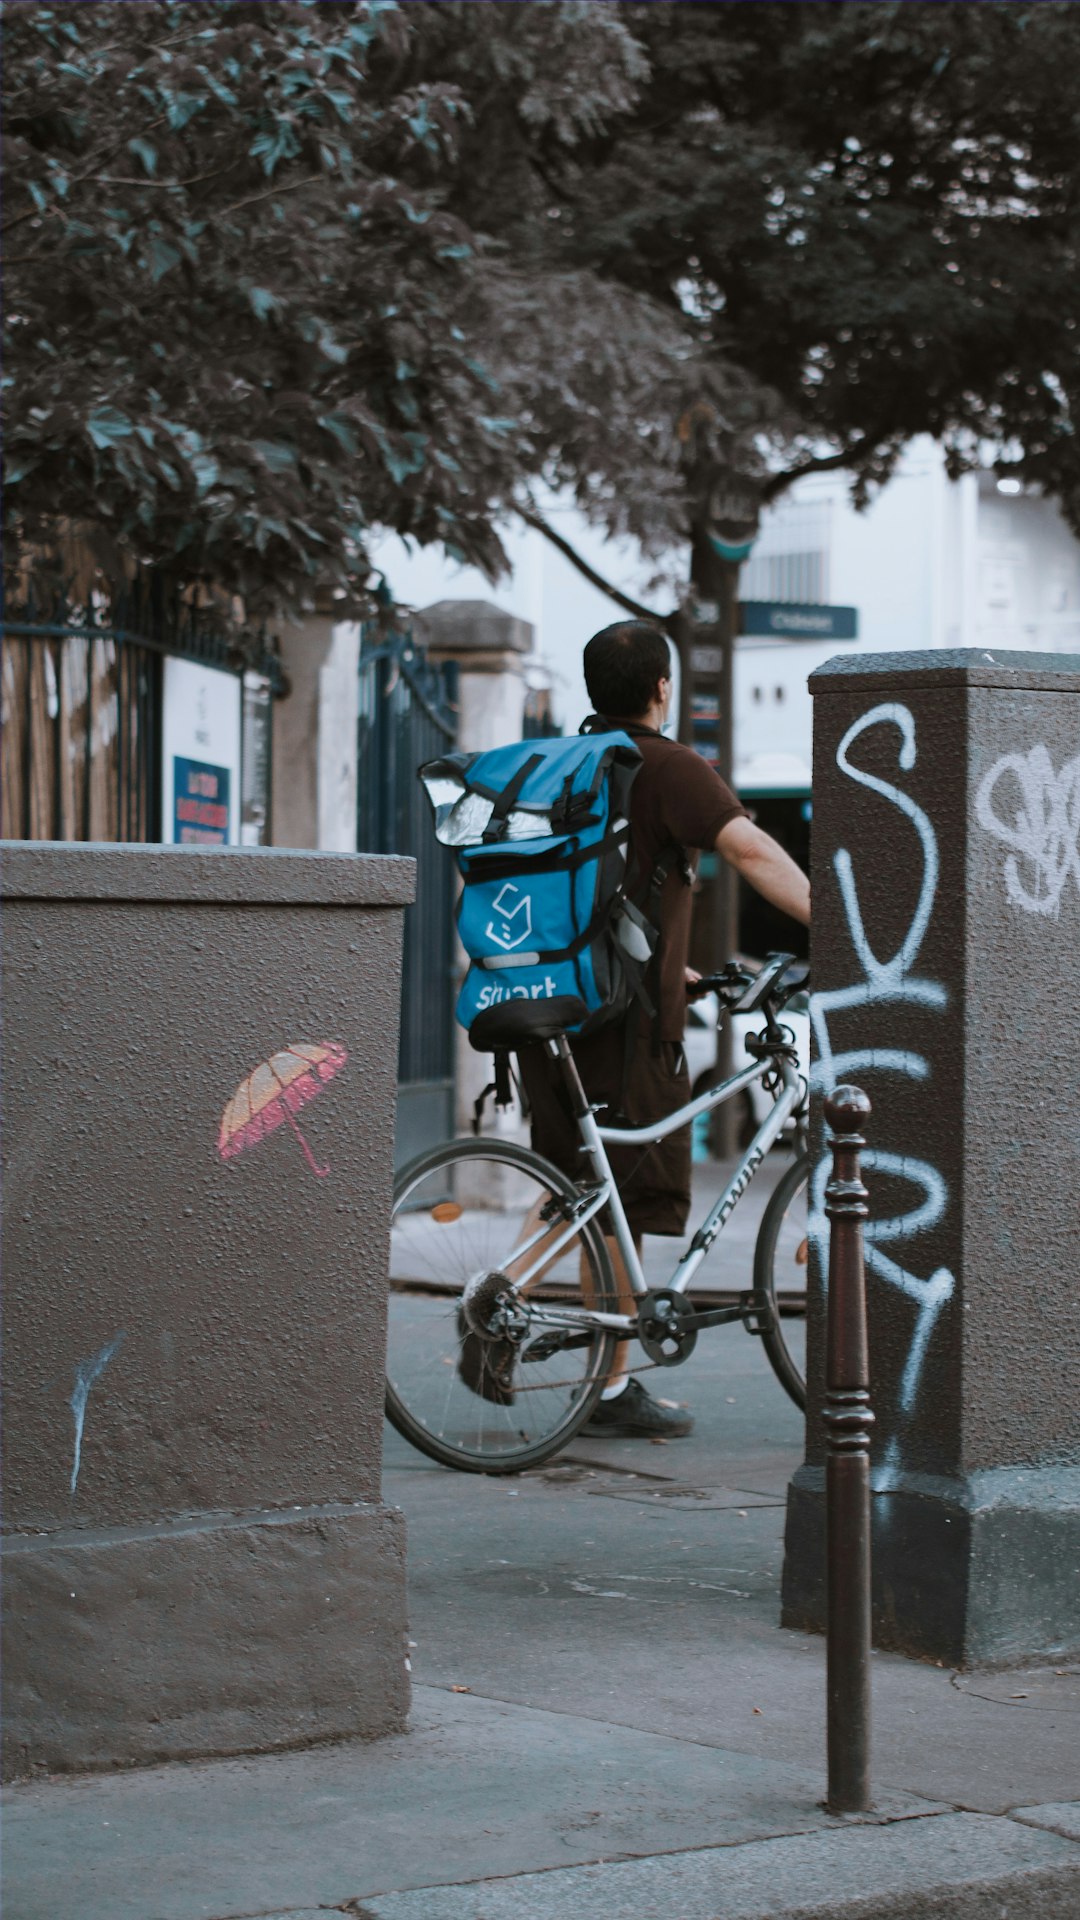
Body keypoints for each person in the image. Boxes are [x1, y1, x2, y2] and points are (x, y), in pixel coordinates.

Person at [516, 619, 811, 1439]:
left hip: (557, 1003)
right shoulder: (670, 766)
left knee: (582, 1193)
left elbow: (593, 894)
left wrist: (661, 964)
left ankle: (524, 1329)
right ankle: (599, 1387)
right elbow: (750, 852)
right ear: (660, 688)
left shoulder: (562, 764)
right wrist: (843, 921)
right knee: (618, 1201)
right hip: (625, 1029)